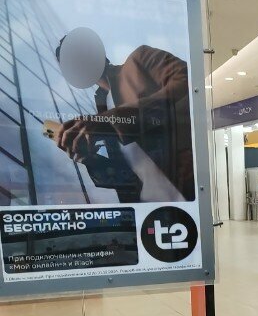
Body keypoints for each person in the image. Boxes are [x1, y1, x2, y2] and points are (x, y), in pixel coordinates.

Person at [54, 28, 195, 202]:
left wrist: (111, 120)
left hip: (188, 186)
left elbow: (187, 80)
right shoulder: (101, 107)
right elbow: (122, 171)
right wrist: (88, 158)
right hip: (150, 203)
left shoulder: (139, 58)